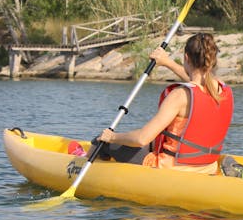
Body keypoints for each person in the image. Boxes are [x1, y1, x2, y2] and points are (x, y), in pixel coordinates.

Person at [91, 33, 234, 175]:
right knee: (152, 142)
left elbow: (142, 139)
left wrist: (111, 137)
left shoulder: (179, 96)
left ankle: (79, 165)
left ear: (186, 58)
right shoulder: (222, 89)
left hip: (170, 168)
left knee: (102, 140)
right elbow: (198, 84)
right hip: (207, 167)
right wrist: (167, 62)